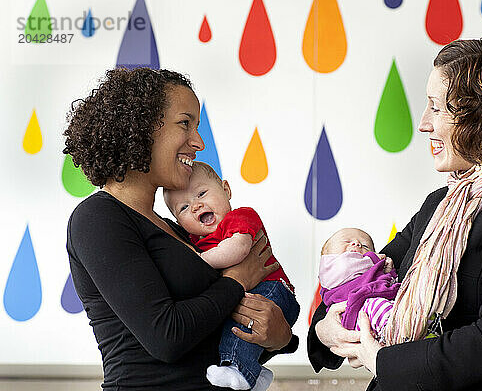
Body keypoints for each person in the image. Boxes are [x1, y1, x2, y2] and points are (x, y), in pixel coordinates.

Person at [307, 37, 482, 391]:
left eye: (436, 107)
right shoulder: (440, 202)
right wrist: (326, 328)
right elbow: (366, 276)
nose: (424, 124)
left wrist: (382, 362)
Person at [64, 68, 298, 390]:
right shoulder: (98, 218)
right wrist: (237, 280)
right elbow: (166, 337)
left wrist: (280, 338)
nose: (198, 142)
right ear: (142, 127)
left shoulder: (176, 230)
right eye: (185, 123)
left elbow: (213, 334)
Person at [163, 161, 300, 391]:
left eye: (202, 193)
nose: (196, 206)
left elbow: (238, 248)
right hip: (251, 292)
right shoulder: (194, 241)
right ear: (179, 222)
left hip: (273, 290)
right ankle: (253, 372)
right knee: (233, 323)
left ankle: (238, 368)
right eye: (184, 208)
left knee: (241, 320)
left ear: (226, 190)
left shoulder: (238, 218)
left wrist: (198, 261)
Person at [318, 228, 398, 343]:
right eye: (346, 241)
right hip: (357, 312)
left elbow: (387, 283)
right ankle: (397, 331)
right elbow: (346, 266)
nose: (357, 243)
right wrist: (373, 259)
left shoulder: (369, 268)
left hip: (382, 305)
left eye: (365, 246)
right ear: (326, 254)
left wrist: (388, 271)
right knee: (378, 307)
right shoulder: (330, 268)